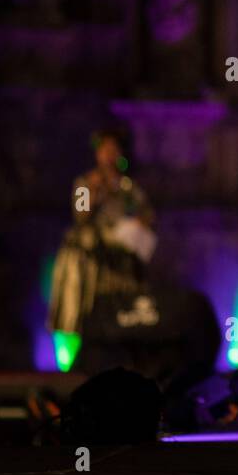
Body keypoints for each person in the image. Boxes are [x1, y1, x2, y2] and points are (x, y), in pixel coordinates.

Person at [47, 128, 157, 338]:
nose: (109, 155)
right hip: (91, 259)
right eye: (104, 150)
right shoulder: (83, 183)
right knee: (88, 307)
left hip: (121, 257)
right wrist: (94, 191)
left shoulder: (128, 187)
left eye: (113, 150)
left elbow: (146, 214)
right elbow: (80, 215)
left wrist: (140, 222)